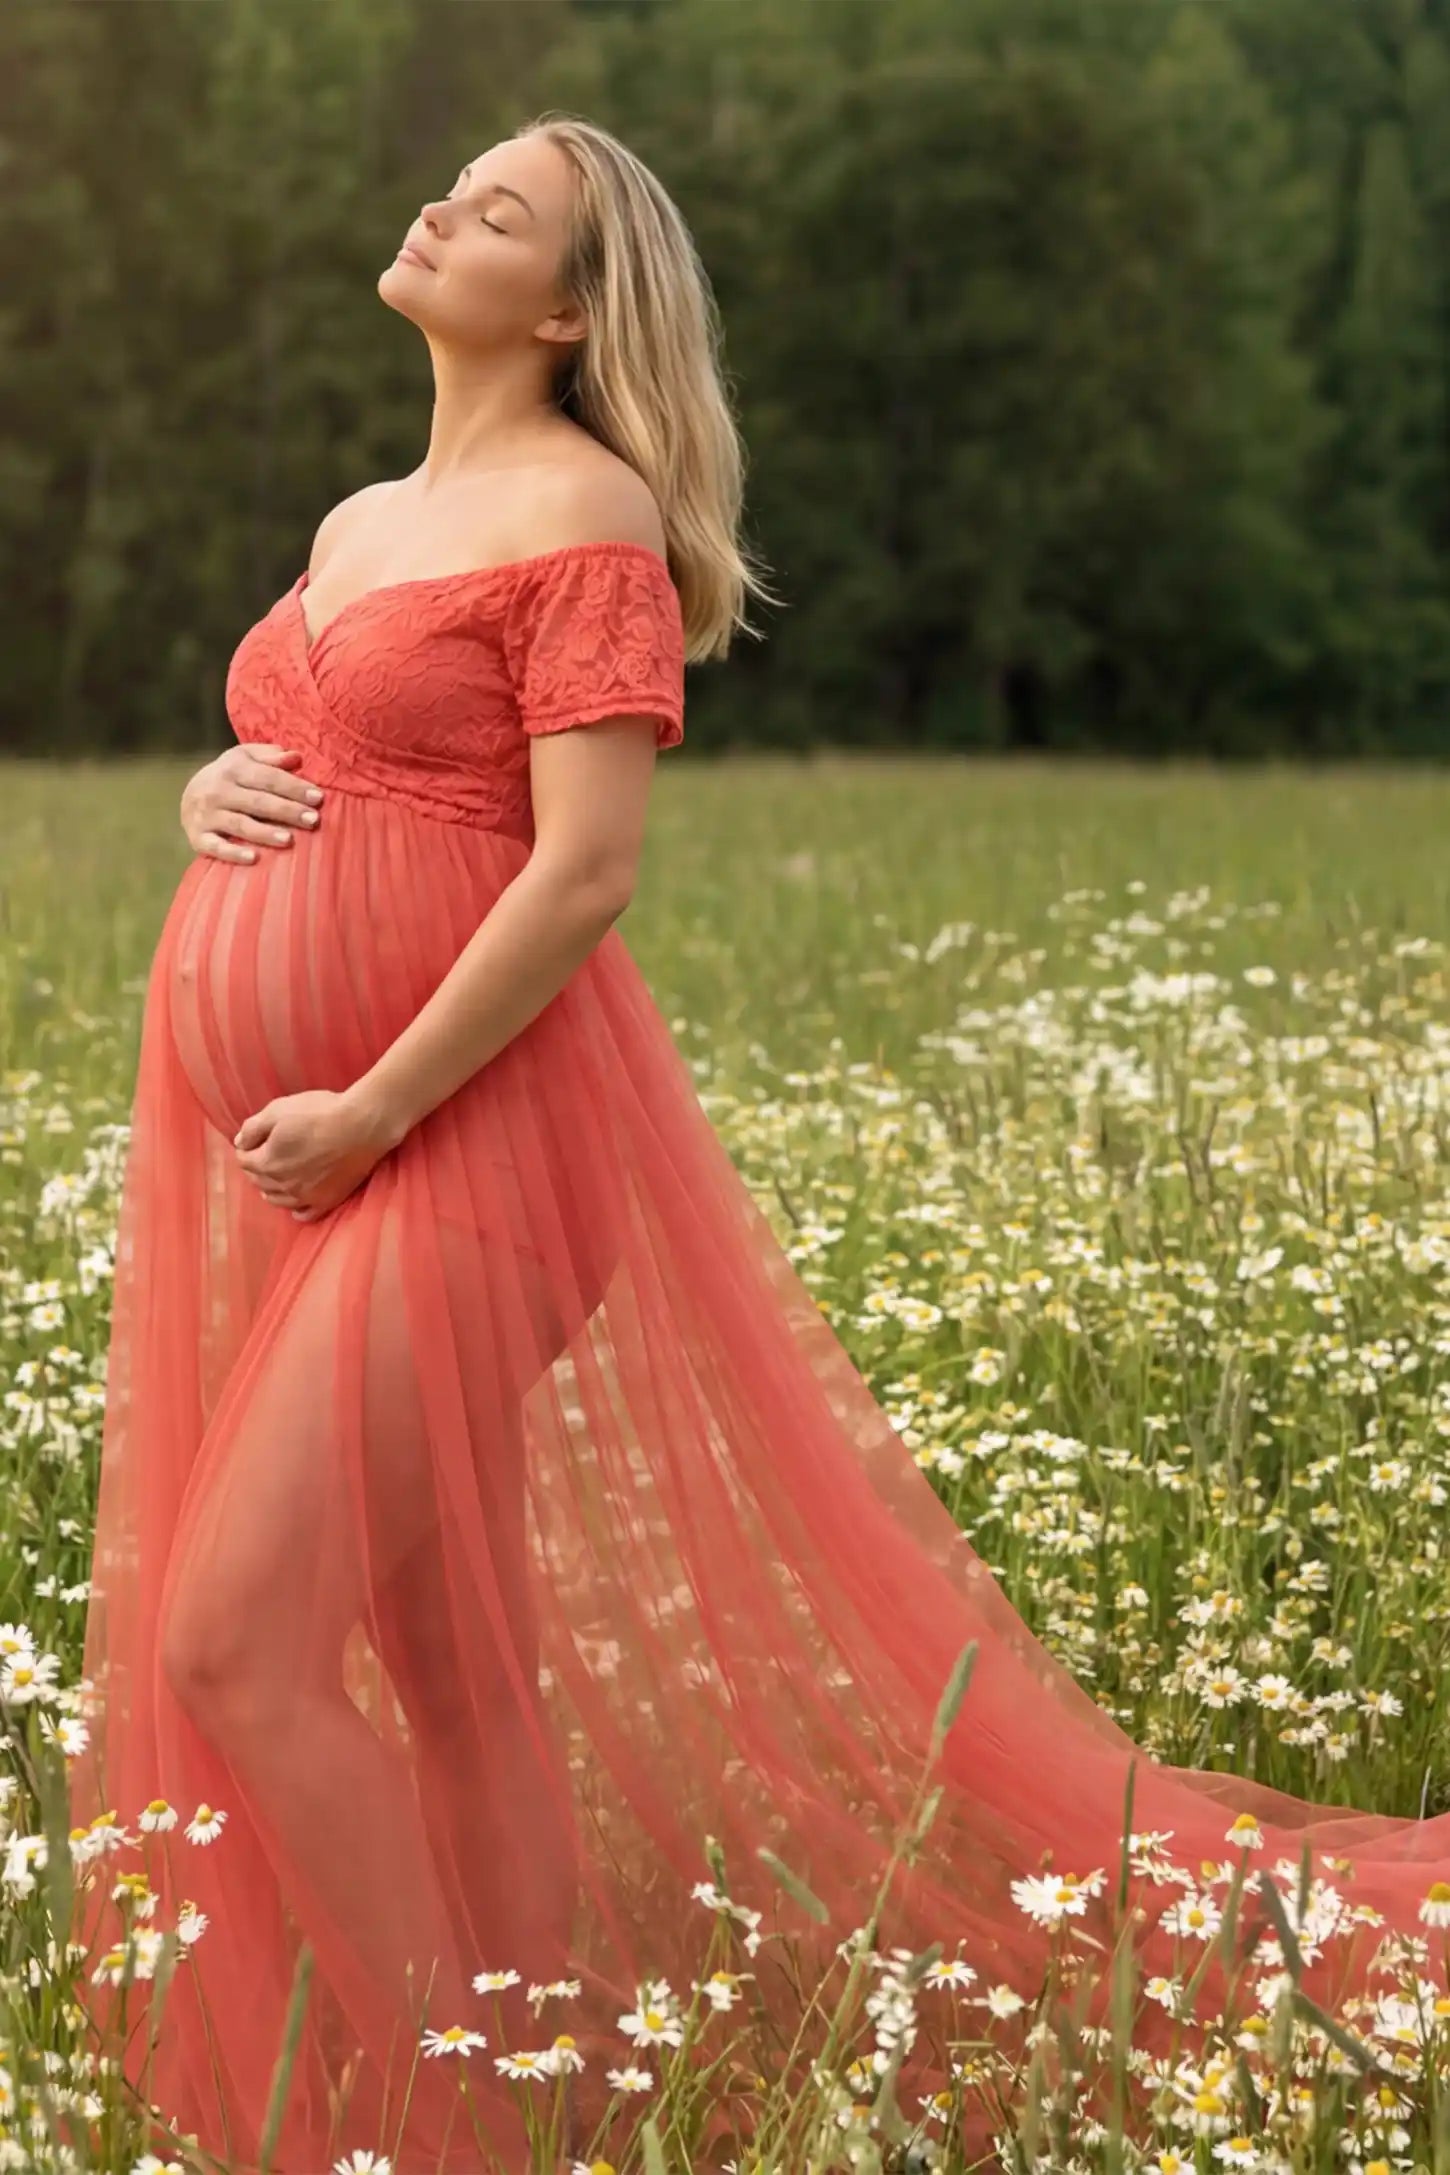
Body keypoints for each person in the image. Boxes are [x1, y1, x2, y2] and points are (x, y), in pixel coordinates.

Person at [68, 112, 1450, 2175]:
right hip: (345, 1151)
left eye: (500, 209)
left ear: (561, 307)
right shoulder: (366, 511)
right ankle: (546, 2084)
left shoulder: (590, 512)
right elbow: (327, 748)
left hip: (474, 1142)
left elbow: (581, 873)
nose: (439, 203)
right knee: (457, 1667)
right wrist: (214, 790)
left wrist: (366, 1099)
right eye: (452, 182)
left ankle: (452, 2133)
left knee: (232, 1639)